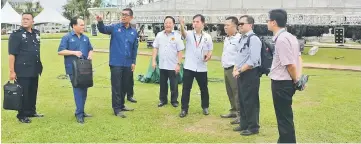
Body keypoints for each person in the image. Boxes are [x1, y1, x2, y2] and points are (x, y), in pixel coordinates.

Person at [96, 8, 138, 118]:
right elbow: (103, 29)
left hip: (128, 63)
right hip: (116, 63)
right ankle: (117, 109)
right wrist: (100, 21)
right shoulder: (115, 27)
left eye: (126, 15)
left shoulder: (133, 31)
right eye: (122, 14)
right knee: (116, 86)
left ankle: (122, 104)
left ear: (131, 17)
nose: (123, 16)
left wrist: (133, 62)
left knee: (125, 85)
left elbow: (134, 47)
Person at [267, 9, 301, 143]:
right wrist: (297, 79)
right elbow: (299, 59)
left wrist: (296, 79)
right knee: (284, 117)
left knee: (283, 118)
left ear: (274, 22)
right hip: (286, 82)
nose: (267, 23)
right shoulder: (290, 37)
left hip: (281, 83)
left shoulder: (282, 39)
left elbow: (291, 65)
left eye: (268, 20)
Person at [8, 13, 44, 123]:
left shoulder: (35, 33)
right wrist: (12, 71)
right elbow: (12, 54)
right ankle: (22, 114)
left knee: (33, 91)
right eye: (23, 19)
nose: (25, 20)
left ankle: (31, 111)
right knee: (23, 92)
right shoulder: (16, 35)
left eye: (27, 19)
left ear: (33, 21)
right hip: (22, 69)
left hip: (35, 67)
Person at [58, 17, 94, 124]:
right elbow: (60, 51)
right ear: (74, 26)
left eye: (84, 25)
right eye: (81, 25)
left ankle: (81, 111)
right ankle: (79, 114)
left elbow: (90, 48)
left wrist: (90, 54)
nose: (83, 27)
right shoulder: (67, 37)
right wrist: (74, 53)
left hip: (85, 68)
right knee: (78, 90)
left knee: (84, 90)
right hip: (73, 68)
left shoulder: (85, 38)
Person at [178, 14, 213, 118]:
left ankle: (205, 107)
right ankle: (184, 109)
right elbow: (183, 34)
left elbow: (210, 49)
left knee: (204, 88)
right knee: (186, 89)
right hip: (189, 66)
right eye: (194, 22)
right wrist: (181, 25)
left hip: (202, 67)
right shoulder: (189, 34)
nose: (195, 24)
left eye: (197, 22)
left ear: (203, 23)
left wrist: (209, 55)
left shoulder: (207, 37)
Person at [232, 15, 262, 136]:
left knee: (250, 101)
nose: (239, 26)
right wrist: (235, 68)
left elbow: (253, 61)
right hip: (241, 73)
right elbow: (239, 56)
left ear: (250, 25)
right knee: (242, 100)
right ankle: (244, 124)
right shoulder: (242, 38)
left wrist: (239, 71)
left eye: (242, 24)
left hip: (250, 74)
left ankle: (253, 127)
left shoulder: (253, 39)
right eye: (239, 24)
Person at [152, 16, 185, 108]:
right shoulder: (159, 35)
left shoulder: (177, 36)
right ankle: (163, 100)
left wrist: (178, 64)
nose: (167, 25)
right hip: (162, 65)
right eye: (166, 23)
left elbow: (180, 51)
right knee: (163, 84)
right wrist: (154, 60)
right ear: (164, 24)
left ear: (173, 24)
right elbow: (155, 48)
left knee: (174, 85)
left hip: (173, 65)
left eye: (170, 23)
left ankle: (174, 100)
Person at [220, 16, 241, 125]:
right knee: (229, 91)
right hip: (226, 68)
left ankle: (240, 115)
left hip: (234, 69)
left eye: (227, 25)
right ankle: (233, 110)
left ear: (235, 26)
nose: (225, 27)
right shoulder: (227, 38)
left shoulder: (239, 39)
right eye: (225, 25)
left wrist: (236, 69)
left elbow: (240, 55)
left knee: (237, 92)